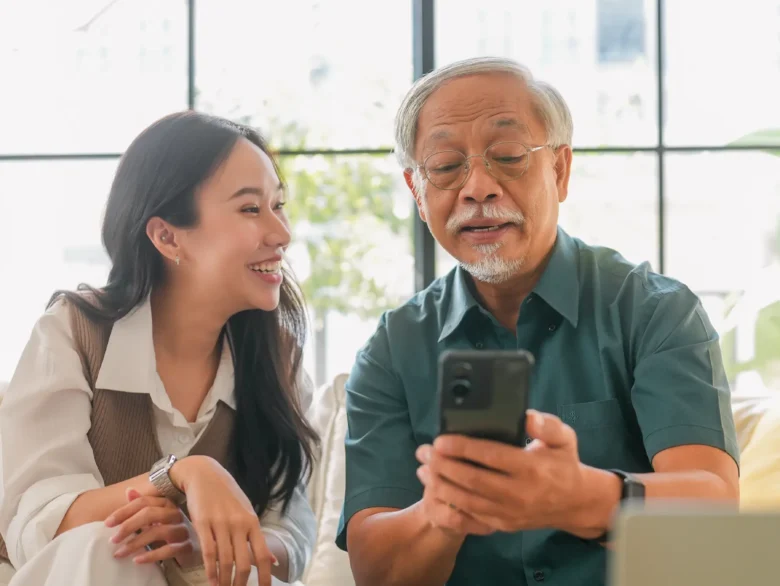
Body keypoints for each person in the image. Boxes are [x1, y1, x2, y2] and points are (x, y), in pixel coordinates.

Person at [336, 57, 740, 586]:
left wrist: (582, 497)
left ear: (560, 169)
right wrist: (441, 512)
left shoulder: (654, 310)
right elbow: (376, 571)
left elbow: (715, 513)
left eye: (507, 156)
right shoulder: (392, 348)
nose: (478, 187)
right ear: (416, 190)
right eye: (444, 166)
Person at [0, 112, 319, 586]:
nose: (282, 233)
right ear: (167, 236)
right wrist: (185, 474)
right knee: (109, 545)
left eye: (278, 205)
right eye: (251, 210)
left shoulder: (279, 359)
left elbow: (291, 541)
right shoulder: (74, 333)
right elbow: (40, 522)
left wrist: (198, 545)